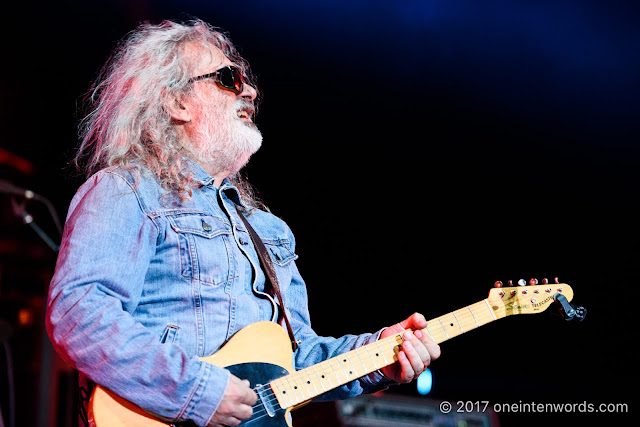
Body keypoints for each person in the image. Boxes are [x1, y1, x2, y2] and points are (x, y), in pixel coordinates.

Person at [46, 19, 440, 427]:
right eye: (228, 78)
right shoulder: (127, 190)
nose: (250, 90)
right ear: (177, 103)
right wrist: (196, 392)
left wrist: (378, 356)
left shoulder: (268, 230)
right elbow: (80, 312)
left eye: (246, 80)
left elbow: (295, 359)